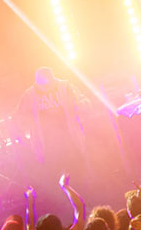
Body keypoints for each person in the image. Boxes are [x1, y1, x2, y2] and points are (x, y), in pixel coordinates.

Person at [14, 67, 91, 204]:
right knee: (57, 183)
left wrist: (80, 105)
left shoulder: (65, 87)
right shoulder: (29, 95)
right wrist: (21, 135)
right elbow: (19, 117)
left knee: (79, 178)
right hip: (47, 148)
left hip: (71, 141)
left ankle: (84, 203)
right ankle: (68, 207)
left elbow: (85, 102)